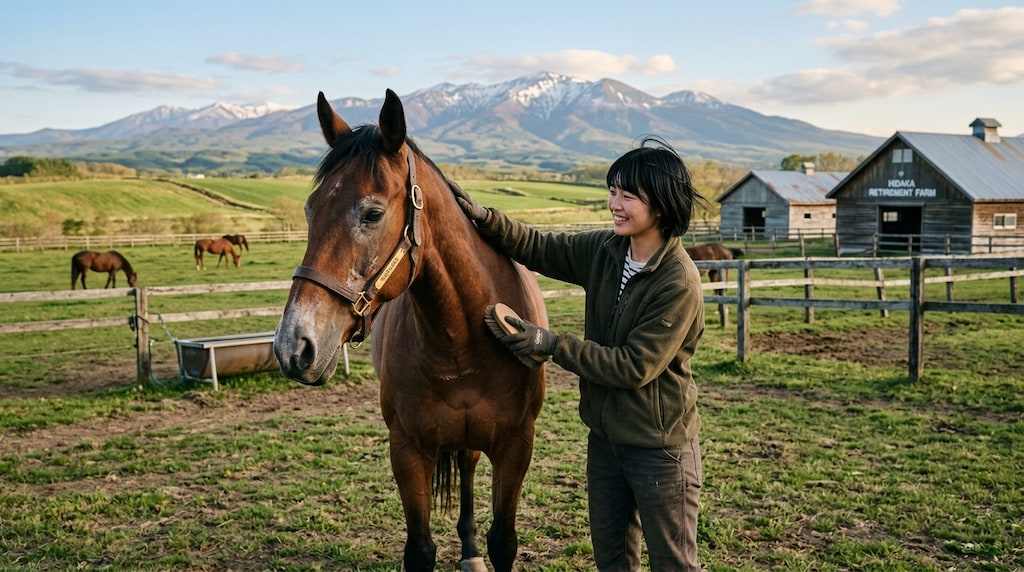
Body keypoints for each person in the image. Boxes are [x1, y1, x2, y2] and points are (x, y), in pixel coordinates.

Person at [452, 135, 707, 571]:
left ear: (661, 206)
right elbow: (539, 247)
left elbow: (633, 366)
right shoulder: (606, 251)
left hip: (659, 450)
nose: (615, 203)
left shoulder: (677, 282)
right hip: (606, 443)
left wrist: (548, 344)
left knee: (674, 565)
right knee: (612, 563)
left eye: (629, 195)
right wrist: (485, 218)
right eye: (613, 191)